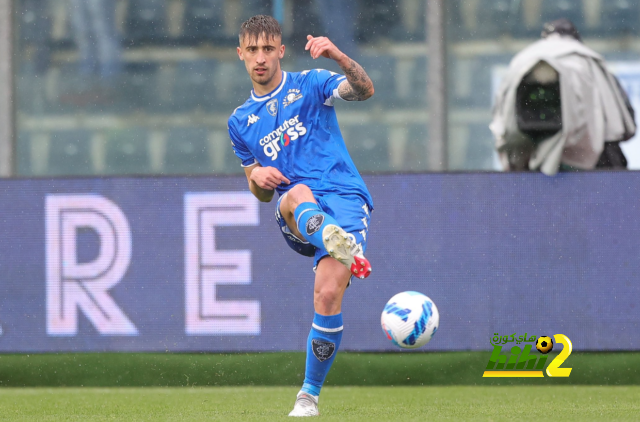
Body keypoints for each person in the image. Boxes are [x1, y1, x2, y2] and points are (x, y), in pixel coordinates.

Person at [227, 15, 375, 417]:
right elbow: (258, 193)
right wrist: (257, 174)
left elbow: (364, 90)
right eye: (252, 50)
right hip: (296, 213)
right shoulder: (240, 122)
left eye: (267, 49)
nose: (260, 58)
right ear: (241, 54)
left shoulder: (310, 82)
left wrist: (339, 56)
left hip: (344, 197)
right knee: (295, 192)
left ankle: (307, 397)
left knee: (327, 295)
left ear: (280, 51)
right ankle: (336, 241)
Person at [490, 18, 635, 175]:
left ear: (544, 36)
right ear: (576, 38)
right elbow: (625, 122)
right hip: (593, 161)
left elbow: (501, 118)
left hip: (528, 154)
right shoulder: (591, 62)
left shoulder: (522, 61)